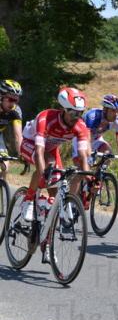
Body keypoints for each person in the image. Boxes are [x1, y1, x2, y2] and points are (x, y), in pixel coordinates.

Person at [20, 87, 90, 223]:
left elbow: (83, 156)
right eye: (73, 113)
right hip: (30, 143)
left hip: (51, 150)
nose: (76, 118)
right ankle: (28, 200)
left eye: (80, 113)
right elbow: (40, 151)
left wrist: (88, 175)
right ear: (64, 110)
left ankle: (43, 230)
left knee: (56, 186)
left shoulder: (80, 126)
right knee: (47, 165)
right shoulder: (46, 118)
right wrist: (43, 174)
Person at [72, 94, 118, 173]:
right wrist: (88, 156)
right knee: (83, 171)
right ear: (105, 110)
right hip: (81, 141)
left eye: (117, 111)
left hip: (96, 140)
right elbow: (86, 139)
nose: (116, 114)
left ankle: (98, 178)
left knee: (108, 155)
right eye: (113, 111)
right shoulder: (92, 116)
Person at [0, 79, 23, 179]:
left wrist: (22, 154)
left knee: (5, 165)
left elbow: (18, 135)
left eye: (16, 100)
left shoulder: (15, 111)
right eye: (10, 99)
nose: (13, 103)